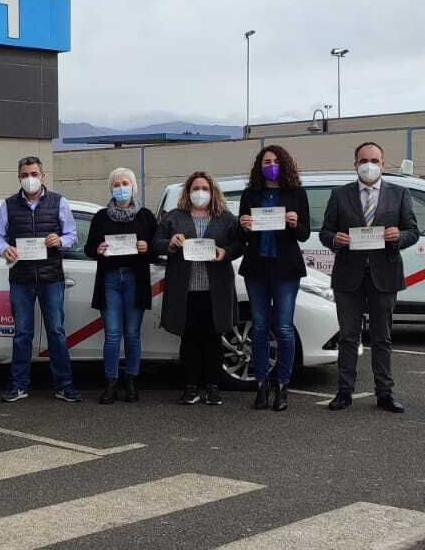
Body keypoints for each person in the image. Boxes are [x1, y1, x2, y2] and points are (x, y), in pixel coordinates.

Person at [319, 141, 420, 413]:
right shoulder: (340, 195)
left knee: (382, 337)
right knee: (348, 337)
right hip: (348, 274)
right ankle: (344, 392)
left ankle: (385, 393)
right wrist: (335, 239)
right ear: (355, 164)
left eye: (374, 160)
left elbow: (413, 231)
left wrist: (399, 236)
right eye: (364, 160)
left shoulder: (399, 194)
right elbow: (325, 231)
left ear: (383, 164)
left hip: (384, 273)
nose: (369, 165)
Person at [0, 156, 79, 404]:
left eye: (34, 174)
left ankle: (65, 385)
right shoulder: (8, 205)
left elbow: (73, 235)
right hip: (21, 278)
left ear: (43, 177)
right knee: (22, 333)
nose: (29, 179)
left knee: (56, 331)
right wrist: (4, 249)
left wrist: (60, 240)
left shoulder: (59, 202)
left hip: (52, 276)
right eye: (24, 175)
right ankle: (18, 385)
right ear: (19, 178)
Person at [155, 171, 242, 406]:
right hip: (185, 289)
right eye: (195, 188)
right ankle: (191, 387)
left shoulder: (225, 218)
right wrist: (170, 245)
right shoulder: (174, 217)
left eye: (204, 188)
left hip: (216, 289)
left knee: (213, 339)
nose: (200, 193)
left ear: (213, 191)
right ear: (188, 192)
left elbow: (240, 243)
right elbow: (156, 243)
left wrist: (227, 252)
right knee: (190, 340)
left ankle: (213, 387)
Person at [236, 145, 311, 412]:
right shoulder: (251, 194)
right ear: (259, 165)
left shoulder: (296, 194)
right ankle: (261, 383)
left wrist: (294, 223)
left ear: (285, 164)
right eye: (267, 161)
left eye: (276, 161)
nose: (271, 165)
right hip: (256, 268)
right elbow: (242, 235)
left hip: (286, 269)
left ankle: (282, 384)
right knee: (258, 327)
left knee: (283, 327)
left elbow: (304, 233)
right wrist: (243, 225)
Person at [83, 167, 156, 404]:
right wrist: (98, 249)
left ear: (133, 187)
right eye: (116, 184)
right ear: (111, 188)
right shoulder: (101, 217)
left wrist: (148, 247)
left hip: (135, 279)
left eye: (125, 183)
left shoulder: (145, 216)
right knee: (113, 335)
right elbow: (88, 249)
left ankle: (132, 382)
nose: (121, 188)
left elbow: (158, 248)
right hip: (110, 279)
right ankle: (111, 383)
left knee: (133, 334)